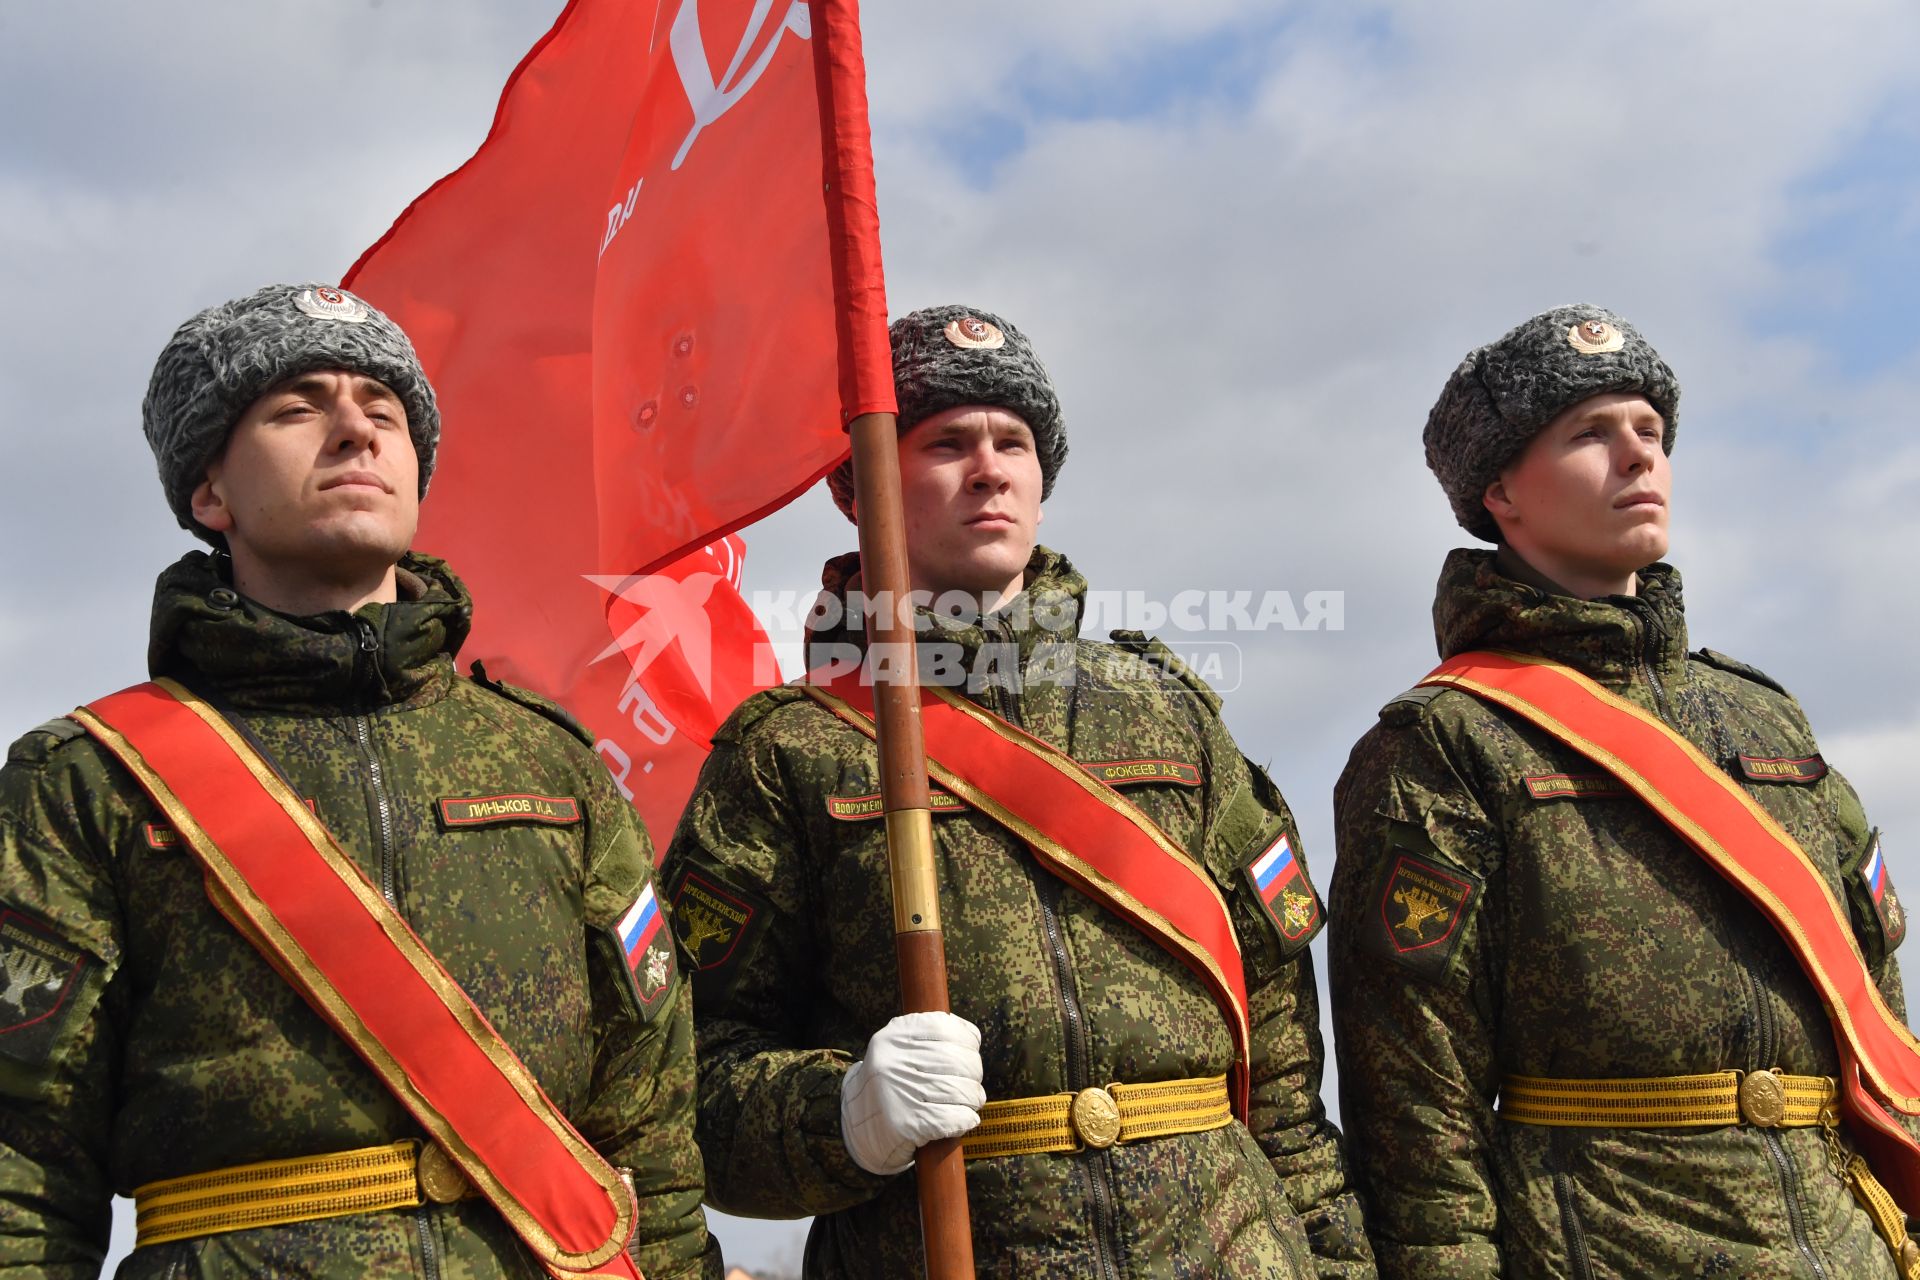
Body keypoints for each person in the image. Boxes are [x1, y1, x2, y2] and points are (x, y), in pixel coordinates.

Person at [0, 283, 719, 1278]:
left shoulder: (551, 762)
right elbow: (21, 1162)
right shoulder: (89, 778)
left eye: (384, 413)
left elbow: (651, 1130)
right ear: (209, 493)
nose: (355, 432)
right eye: (298, 410)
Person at [663, 304, 1374, 1277]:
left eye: (1015, 441)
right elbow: (683, 1080)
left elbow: (1283, 1054)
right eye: (947, 442)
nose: (990, 467)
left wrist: (1334, 1260)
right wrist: (847, 1116)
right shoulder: (785, 750)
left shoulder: (1168, 712)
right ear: (860, 487)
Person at [1328, 303, 1917, 1278]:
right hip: (1606, 1245)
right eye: (1590, 434)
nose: (1638, 457)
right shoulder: (1444, 743)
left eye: (1649, 430)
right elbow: (1417, 1098)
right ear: (1502, 490)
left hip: (1844, 1243)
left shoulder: (1768, 719)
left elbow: (1878, 1019)